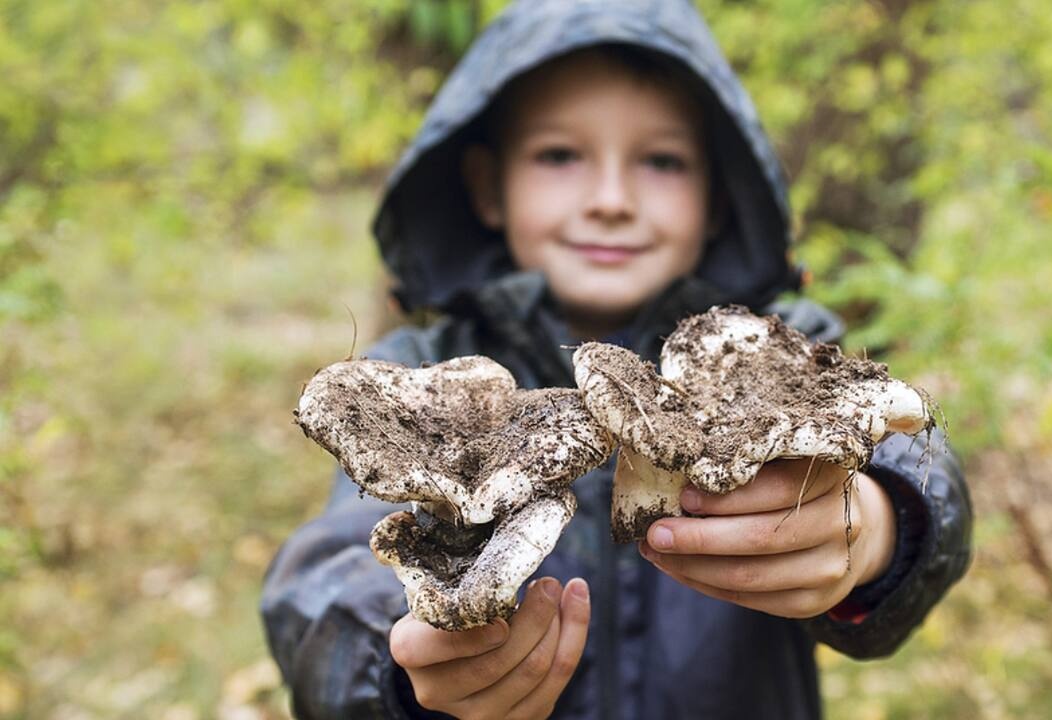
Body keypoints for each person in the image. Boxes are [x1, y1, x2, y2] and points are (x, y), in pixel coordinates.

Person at [261, 1, 972, 718]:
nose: (610, 200)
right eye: (560, 155)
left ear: (718, 199)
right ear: (485, 185)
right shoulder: (423, 372)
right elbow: (323, 582)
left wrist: (880, 526)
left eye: (661, 161)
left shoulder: (772, 346)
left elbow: (915, 453)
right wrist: (400, 665)